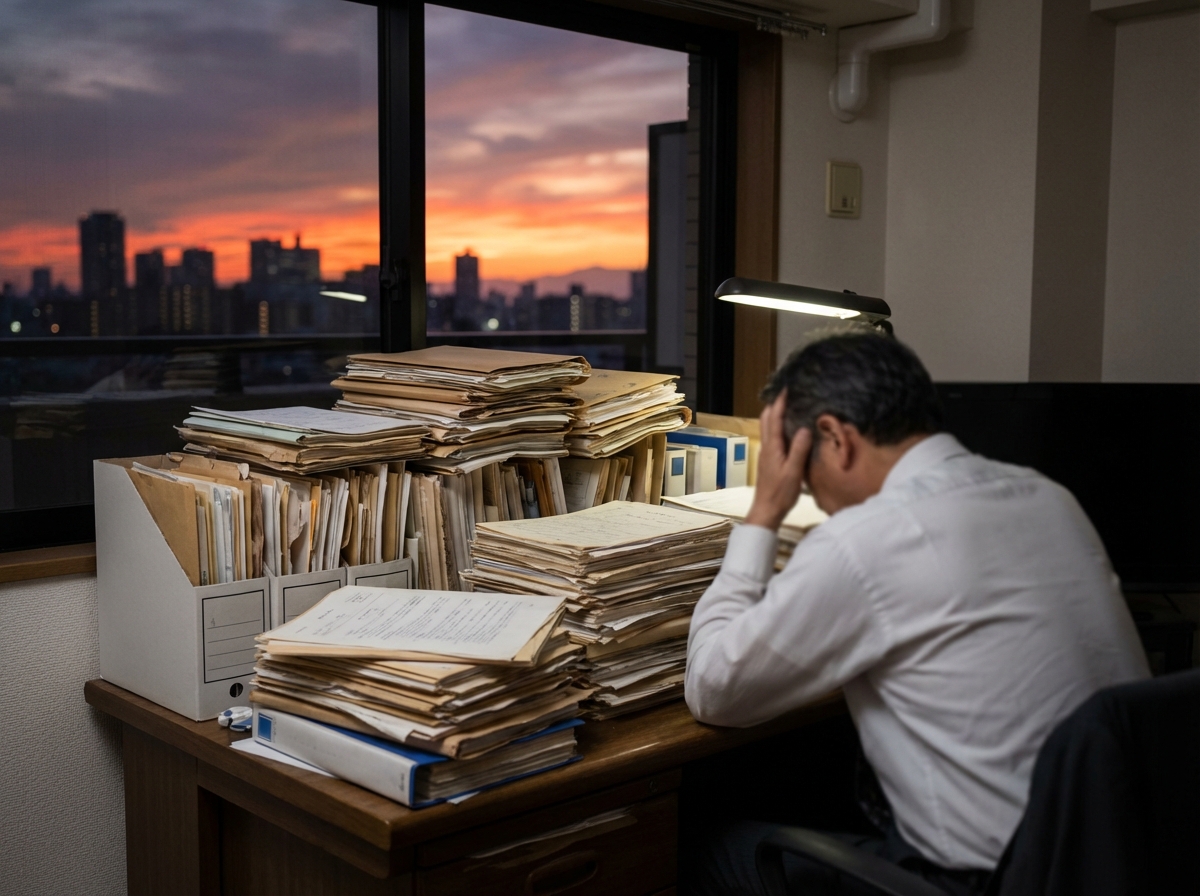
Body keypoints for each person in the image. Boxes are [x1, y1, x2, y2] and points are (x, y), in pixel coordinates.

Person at [683, 326, 1149, 896]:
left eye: (806, 475)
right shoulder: (1050, 497)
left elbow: (714, 690)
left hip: (984, 882)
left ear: (834, 438)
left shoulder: (867, 539)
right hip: (1113, 860)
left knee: (709, 848)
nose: (815, 497)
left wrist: (763, 513)